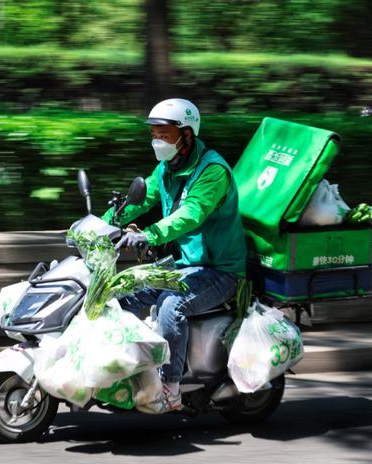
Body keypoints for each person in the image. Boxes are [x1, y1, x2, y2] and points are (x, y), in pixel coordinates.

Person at [104, 98, 247, 414]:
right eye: (154, 134)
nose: (157, 140)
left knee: (171, 306)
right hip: (184, 265)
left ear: (186, 134)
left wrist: (148, 234)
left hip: (219, 270)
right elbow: (142, 200)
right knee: (122, 291)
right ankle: (123, 369)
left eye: (164, 134)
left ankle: (170, 389)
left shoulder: (212, 171)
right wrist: (103, 225)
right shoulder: (167, 167)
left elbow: (191, 214)